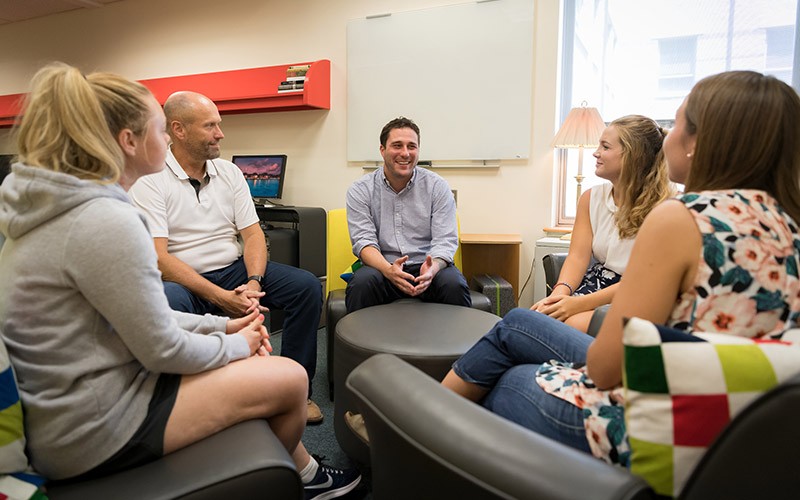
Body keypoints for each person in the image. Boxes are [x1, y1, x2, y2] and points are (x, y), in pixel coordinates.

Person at [0, 62, 360, 499]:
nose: (168, 140)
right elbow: (161, 345)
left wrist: (223, 327)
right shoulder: (103, 219)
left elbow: (136, 320)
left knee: (266, 336)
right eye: (161, 130)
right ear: (130, 141)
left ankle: (300, 472)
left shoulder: (56, 207)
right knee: (285, 379)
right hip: (90, 428)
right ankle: (299, 480)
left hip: (74, 402)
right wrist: (235, 343)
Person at [442, 70, 800, 466]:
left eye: (677, 123)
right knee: (517, 331)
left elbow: (606, 367)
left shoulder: (682, 218)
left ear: (702, 143)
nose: (667, 138)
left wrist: (578, 310)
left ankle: (427, 430)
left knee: (508, 376)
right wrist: (565, 293)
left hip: (666, 425)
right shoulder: (788, 225)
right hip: (743, 429)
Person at [128, 91, 324, 424]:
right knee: (166, 301)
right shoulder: (150, 180)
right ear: (179, 129)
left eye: (219, 124)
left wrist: (253, 282)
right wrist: (221, 298)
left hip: (232, 271)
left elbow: (253, 235)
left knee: (306, 287)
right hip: (182, 278)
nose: (220, 133)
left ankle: (296, 389)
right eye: (210, 126)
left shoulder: (229, 174)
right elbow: (159, 258)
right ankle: (192, 400)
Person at [532, 115, 673, 332]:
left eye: (605, 147)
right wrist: (559, 294)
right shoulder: (591, 198)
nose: (595, 152)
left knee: (555, 325)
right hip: (597, 284)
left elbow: (643, 281)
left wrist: (576, 305)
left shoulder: (668, 208)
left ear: (633, 156)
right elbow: (578, 257)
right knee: (531, 318)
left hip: (635, 295)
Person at [345, 116, 471, 313]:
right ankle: (358, 344)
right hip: (383, 268)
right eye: (397, 145)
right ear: (382, 150)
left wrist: (433, 268)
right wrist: (388, 270)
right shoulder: (360, 190)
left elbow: (445, 240)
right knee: (362, 284)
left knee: (453, 284)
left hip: (428, 268)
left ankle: (459, 344)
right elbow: (364, 242)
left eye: (411, 146)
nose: (405, 153)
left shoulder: (437, 187)